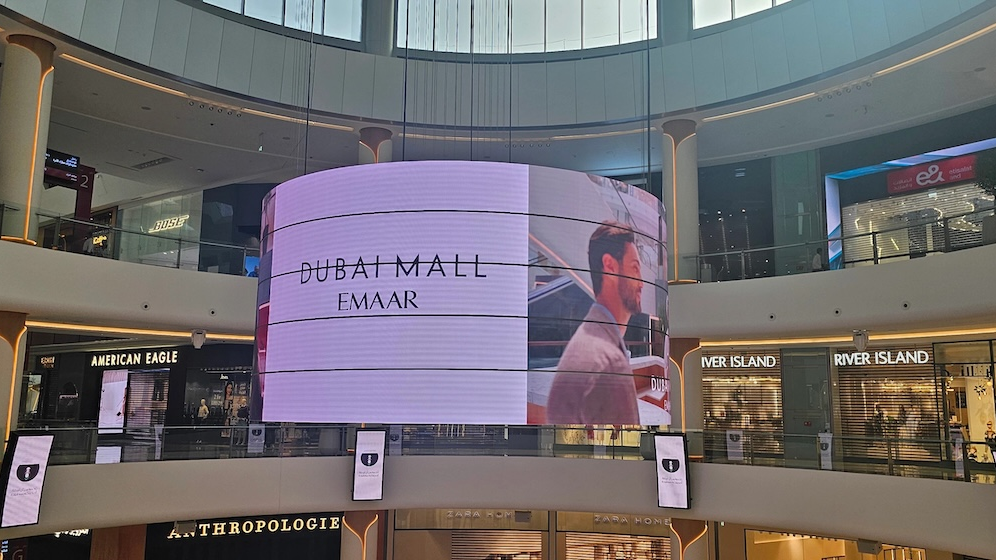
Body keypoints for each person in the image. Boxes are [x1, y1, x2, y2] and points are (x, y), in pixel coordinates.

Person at [546, 221, 643, 425]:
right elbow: (625, 451)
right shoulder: (609, 363)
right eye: (635, 269)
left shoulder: (585, 343)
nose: (642, 283)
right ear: (610, 266)